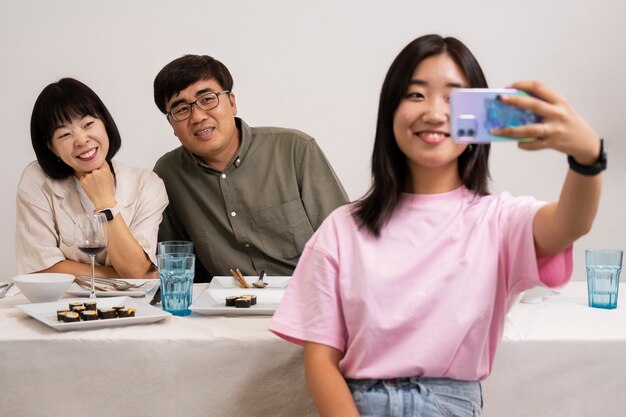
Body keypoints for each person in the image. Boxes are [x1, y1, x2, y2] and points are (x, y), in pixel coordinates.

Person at [269, 34, 603, 417]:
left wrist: (587, 157)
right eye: (415, 95)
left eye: (453, 98)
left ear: (478, 118)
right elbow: (321, 362)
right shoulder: (342, 228)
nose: (434, 112)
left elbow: (570, 224)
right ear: (390, 112)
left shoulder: (500, 221)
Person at [152, 55, 348, 282]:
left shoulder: (295, 148)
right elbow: (175, 261)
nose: (197, 117)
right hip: (226, 308)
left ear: (232, 102)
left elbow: (346, 242)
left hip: (308, 298)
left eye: (207, 99)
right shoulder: (169, 173)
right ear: (171, 125)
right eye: (181, 109)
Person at [16, 78, 168, 278]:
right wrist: (116, 276)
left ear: (104, 123)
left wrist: (105, 201)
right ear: (51, 147)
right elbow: (41, 268)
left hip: (132, 306)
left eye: (88, 124)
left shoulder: (147, 184)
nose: (81, 140)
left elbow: (135, 269)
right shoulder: (37, 181)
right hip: (61, 305)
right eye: (64, 135)